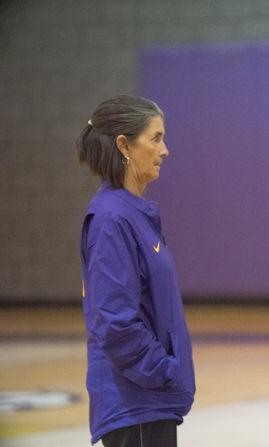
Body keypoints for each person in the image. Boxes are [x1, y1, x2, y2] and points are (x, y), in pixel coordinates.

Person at [76, 95, 195, 447]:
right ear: (124, 145)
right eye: (156, 138)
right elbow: (114, 322)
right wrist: (164, 372)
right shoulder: (112, 219)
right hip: (135, 405)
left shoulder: (130, 212)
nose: (165, 150)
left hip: (147, 403)